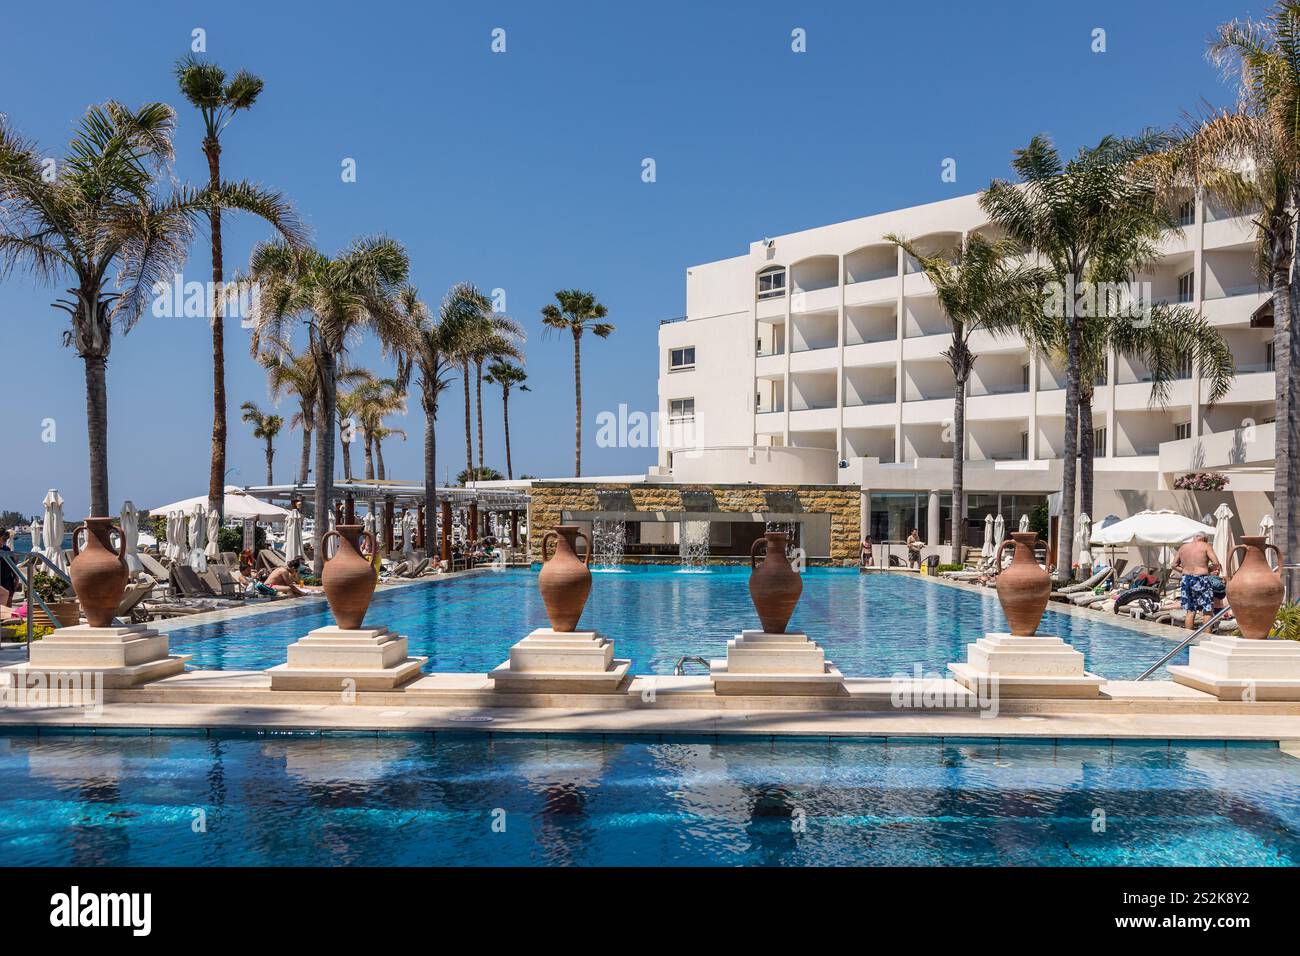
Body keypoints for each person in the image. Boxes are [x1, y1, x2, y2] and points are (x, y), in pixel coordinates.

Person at [1172, 532, 1222, 629]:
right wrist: (1208, 570)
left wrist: (1186, 570)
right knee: (1207, 611)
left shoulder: (1183, 547)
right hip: (1201, 578)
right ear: (1205, 539)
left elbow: (1174, 565)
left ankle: (1188, 640)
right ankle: (1207, 639)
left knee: (1190, 611)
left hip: (1186, 579)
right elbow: (1216, 564)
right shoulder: (1206, 546)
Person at [0, 529, 16, 607]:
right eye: (4, 538)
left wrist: (16, 577)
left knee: (8, 604)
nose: (5, 541)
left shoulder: (6, 549)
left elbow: (12, 565)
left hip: (7, 580)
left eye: (6, 539)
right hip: (2, 580)